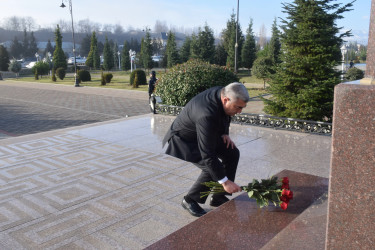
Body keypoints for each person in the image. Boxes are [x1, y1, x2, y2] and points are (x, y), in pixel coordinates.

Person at [162, 82, 250, 217]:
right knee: (211, 168)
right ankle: (189, 200)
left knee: (232, 152)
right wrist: (225, 181)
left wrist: (224, 133)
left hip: (204, 132)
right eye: (238, 107)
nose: (239, 111)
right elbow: (207, 154)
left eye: (242, 108)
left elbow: (226, 114)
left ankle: (219, 197)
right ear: (226, 99)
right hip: (185, 139)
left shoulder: (222, 92)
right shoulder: (206, 115)